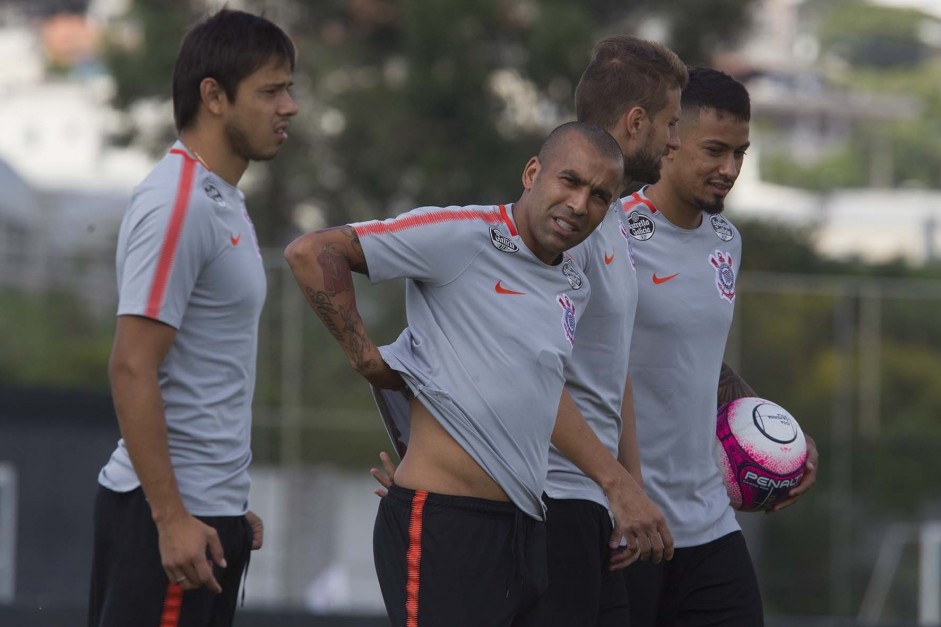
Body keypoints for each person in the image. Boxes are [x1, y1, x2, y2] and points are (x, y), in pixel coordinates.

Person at [372, 36, 690, 627]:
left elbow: (608, 368)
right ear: (637, 120)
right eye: (672, 124)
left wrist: (627, 491)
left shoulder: (608, 217)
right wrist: (421, 457)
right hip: (551, 502)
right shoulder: (564, 226)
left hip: (591, 505)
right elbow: (512, 364)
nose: (676, 141)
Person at [285, 121, 624, 627]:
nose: (579, 204)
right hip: (446, 524)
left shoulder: (574, 282)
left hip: (526, 530)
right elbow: (312, 252)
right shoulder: (464, 234)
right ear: (533, 172)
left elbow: (528, 390)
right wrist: (364, 357)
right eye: (569, 181)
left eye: (599, 196)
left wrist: (618, 484)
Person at [87, 9, 298, 627]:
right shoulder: (177, 203)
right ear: (214, 96)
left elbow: (204, 367)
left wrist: (228, 502)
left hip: (209, 514)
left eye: (289, 89)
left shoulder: (222, 199)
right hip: (171, 525)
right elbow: (131, 367)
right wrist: (172, 515)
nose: (288, 107)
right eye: (271, 91)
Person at [620, 66, 819, 627]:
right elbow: (558, 360)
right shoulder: (609, 234)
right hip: (626, 522)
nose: (729, 169)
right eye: (714, 150)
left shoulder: (727, 241)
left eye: (741, 153)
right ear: (669, 139)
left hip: (709, 523)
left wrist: (780, 433)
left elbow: (695, 356)